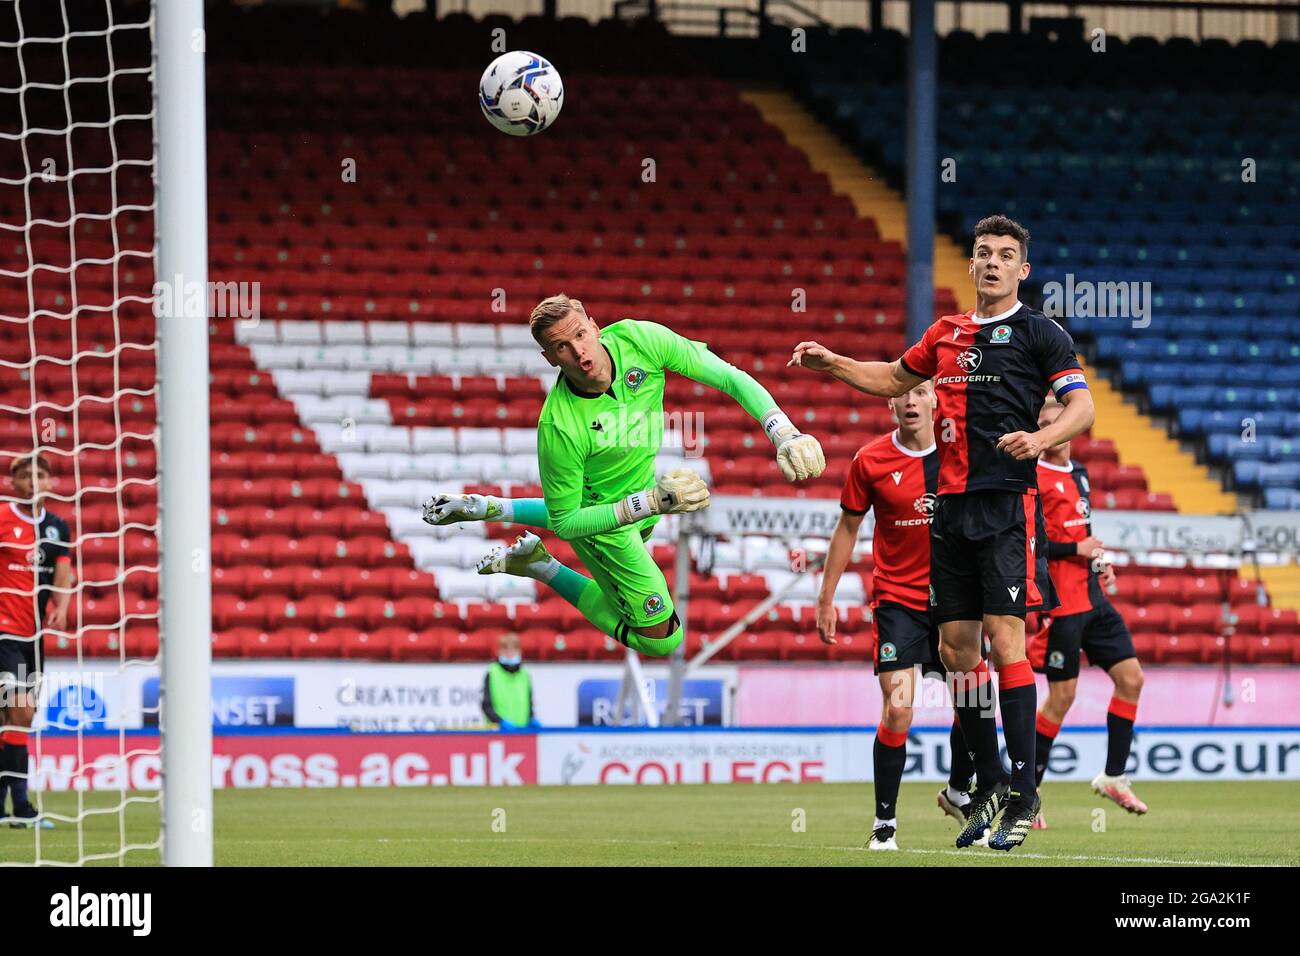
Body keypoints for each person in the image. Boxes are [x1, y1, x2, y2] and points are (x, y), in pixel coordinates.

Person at [789, 215, 1096, 850]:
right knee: (959, 654)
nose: (991, 263)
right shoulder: (945, 334)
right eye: (983, 253)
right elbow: (892, 378)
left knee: (1007, 643)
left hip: (1006, 506)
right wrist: (832, 363)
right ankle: (987, 780)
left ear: (1021, 270)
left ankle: (1023, 790)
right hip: (949, 512)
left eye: (1005, 255)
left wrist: (1038, 441)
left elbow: (1083, 407)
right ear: (973, 264)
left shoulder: (1041, 333)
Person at [424, 293, 825, 657]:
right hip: (601, 525)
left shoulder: (641, 339)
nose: (579, 351)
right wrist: (649, 502)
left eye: (581, 334)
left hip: (642, 499)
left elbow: (729, 377)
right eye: (561, 346)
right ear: (550, 358)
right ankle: (539, 566)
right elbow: (566, 522)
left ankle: (490, 507)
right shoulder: (559, 426)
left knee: (633, 524)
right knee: (662, 638)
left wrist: (783, 431)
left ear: (596, 327)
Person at [815, 380, 979, 850]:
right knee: (900, 707)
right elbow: (847, 527)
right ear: (890, 402)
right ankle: (884, 821)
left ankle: (957, 792)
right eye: (902, 394)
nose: (910, 401)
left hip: (956, 604)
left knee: (974, 706)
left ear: (935, 401)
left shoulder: (959, 455)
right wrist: (826, 597)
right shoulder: (869, 461)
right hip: (899, 602)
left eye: (921, 392)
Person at [1030, 398, 1147, 823]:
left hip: (1094, 597)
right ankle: (1027, 791)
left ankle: (1113, 775)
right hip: (1061, 605)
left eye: (1052, 420)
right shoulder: (1033, 475)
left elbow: (1085, 533)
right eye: (1040, 422)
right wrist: (1073, 549)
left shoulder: (1079, 474)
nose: (1047, 428)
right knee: (1062, 697)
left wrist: (1099, 560)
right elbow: (1031, 543)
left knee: (1131, 678)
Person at [0, 454, 73, 828]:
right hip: (3, 633)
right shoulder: (2, 517)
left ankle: (7, 809)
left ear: (50, 482)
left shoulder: (58, 526)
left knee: (15, 720)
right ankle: (23, 808)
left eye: (39, 474)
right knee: (20, 710)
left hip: (32, 636)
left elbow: (63, 574)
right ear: (13, 483)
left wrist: (61, 606)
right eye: (24, 475)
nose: (32, 480)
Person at [482, 633, 540, 730]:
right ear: (499, 652)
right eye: (505, 650)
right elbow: (486, 705)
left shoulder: (525, 675)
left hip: (522, 731)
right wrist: (500, 721)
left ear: (519, 652)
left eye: (513, 650)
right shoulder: (492, 673)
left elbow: (529, 703)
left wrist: (531, 719)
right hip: (498, 730)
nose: (509, 654)